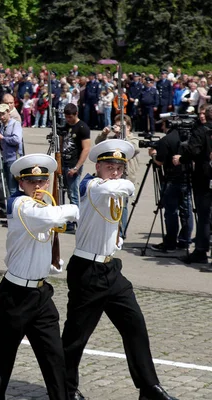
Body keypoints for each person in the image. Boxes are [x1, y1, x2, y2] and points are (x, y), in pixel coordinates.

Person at [62, 139, 179, 400]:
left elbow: (124, 188)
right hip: (87, 269)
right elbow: (124, 187)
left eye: (119, 166)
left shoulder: (113, 188)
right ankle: (64, 389)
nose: (116, 171)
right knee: (75, 337)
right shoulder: (90, 186)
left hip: (111, 269)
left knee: (134, 325)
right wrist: (120, 182)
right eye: (110, 166)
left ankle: (149, 387)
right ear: (98, 166)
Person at [0, 153, 79, 400]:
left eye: (43, 181)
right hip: (16, 295)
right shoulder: (20, 204)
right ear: (21, 183)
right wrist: (73, 208)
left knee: (55, 358)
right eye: (32, 182)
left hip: (41, 295)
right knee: (2, 360)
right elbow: (50, 218)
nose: (38, 186)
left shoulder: (43, 205)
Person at [174, 104, 212, 268]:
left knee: (204, 216)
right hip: (205, 175)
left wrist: (181, 159)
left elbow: (193, 150)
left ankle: (201, 250)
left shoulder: (201, 131)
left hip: (204, 176)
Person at [148, 119, 193, 253]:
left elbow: (160, 162)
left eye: (162, 125)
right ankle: (185, 241)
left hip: (171, 180)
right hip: (187, 178)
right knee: (187, 211)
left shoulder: (166, 140)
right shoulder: (189, 138)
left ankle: (170, 242)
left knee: (171, 212)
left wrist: (153, 155)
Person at [95, 115, 141, 237]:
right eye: (117, 126)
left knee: (122, 205)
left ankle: (120, 232)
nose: (119, 129)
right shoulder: (112, 139)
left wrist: (123, 136)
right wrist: (103, 134)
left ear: (129, 127)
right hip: (111, 176)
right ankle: (109, 227)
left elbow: (133, 149)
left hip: (126, 176)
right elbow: (98, 145)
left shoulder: (133, 139)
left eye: (122, 126)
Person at [60, 103, 91, 232]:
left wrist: (77, 167)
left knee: (73, 194)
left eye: (70, 117)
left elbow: (86, 149)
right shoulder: (65, 126)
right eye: (66, 117)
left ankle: (74, 221)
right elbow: (61, 143)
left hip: (74, 164)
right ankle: (64, 218)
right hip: (63, 162)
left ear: (76, 114)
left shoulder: (83, 127)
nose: (68, 119)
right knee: (63, 191)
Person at [0, 103, 23, 216]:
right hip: (1, 157)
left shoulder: (15, 124)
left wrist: (4, 138)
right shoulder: (0, 125)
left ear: (8, 112)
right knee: (2, 185)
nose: (1, 117)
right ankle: (6, 210)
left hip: (11, 158)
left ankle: (15, 213)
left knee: (12, 187)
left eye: (3, 114)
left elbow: (17, 139)